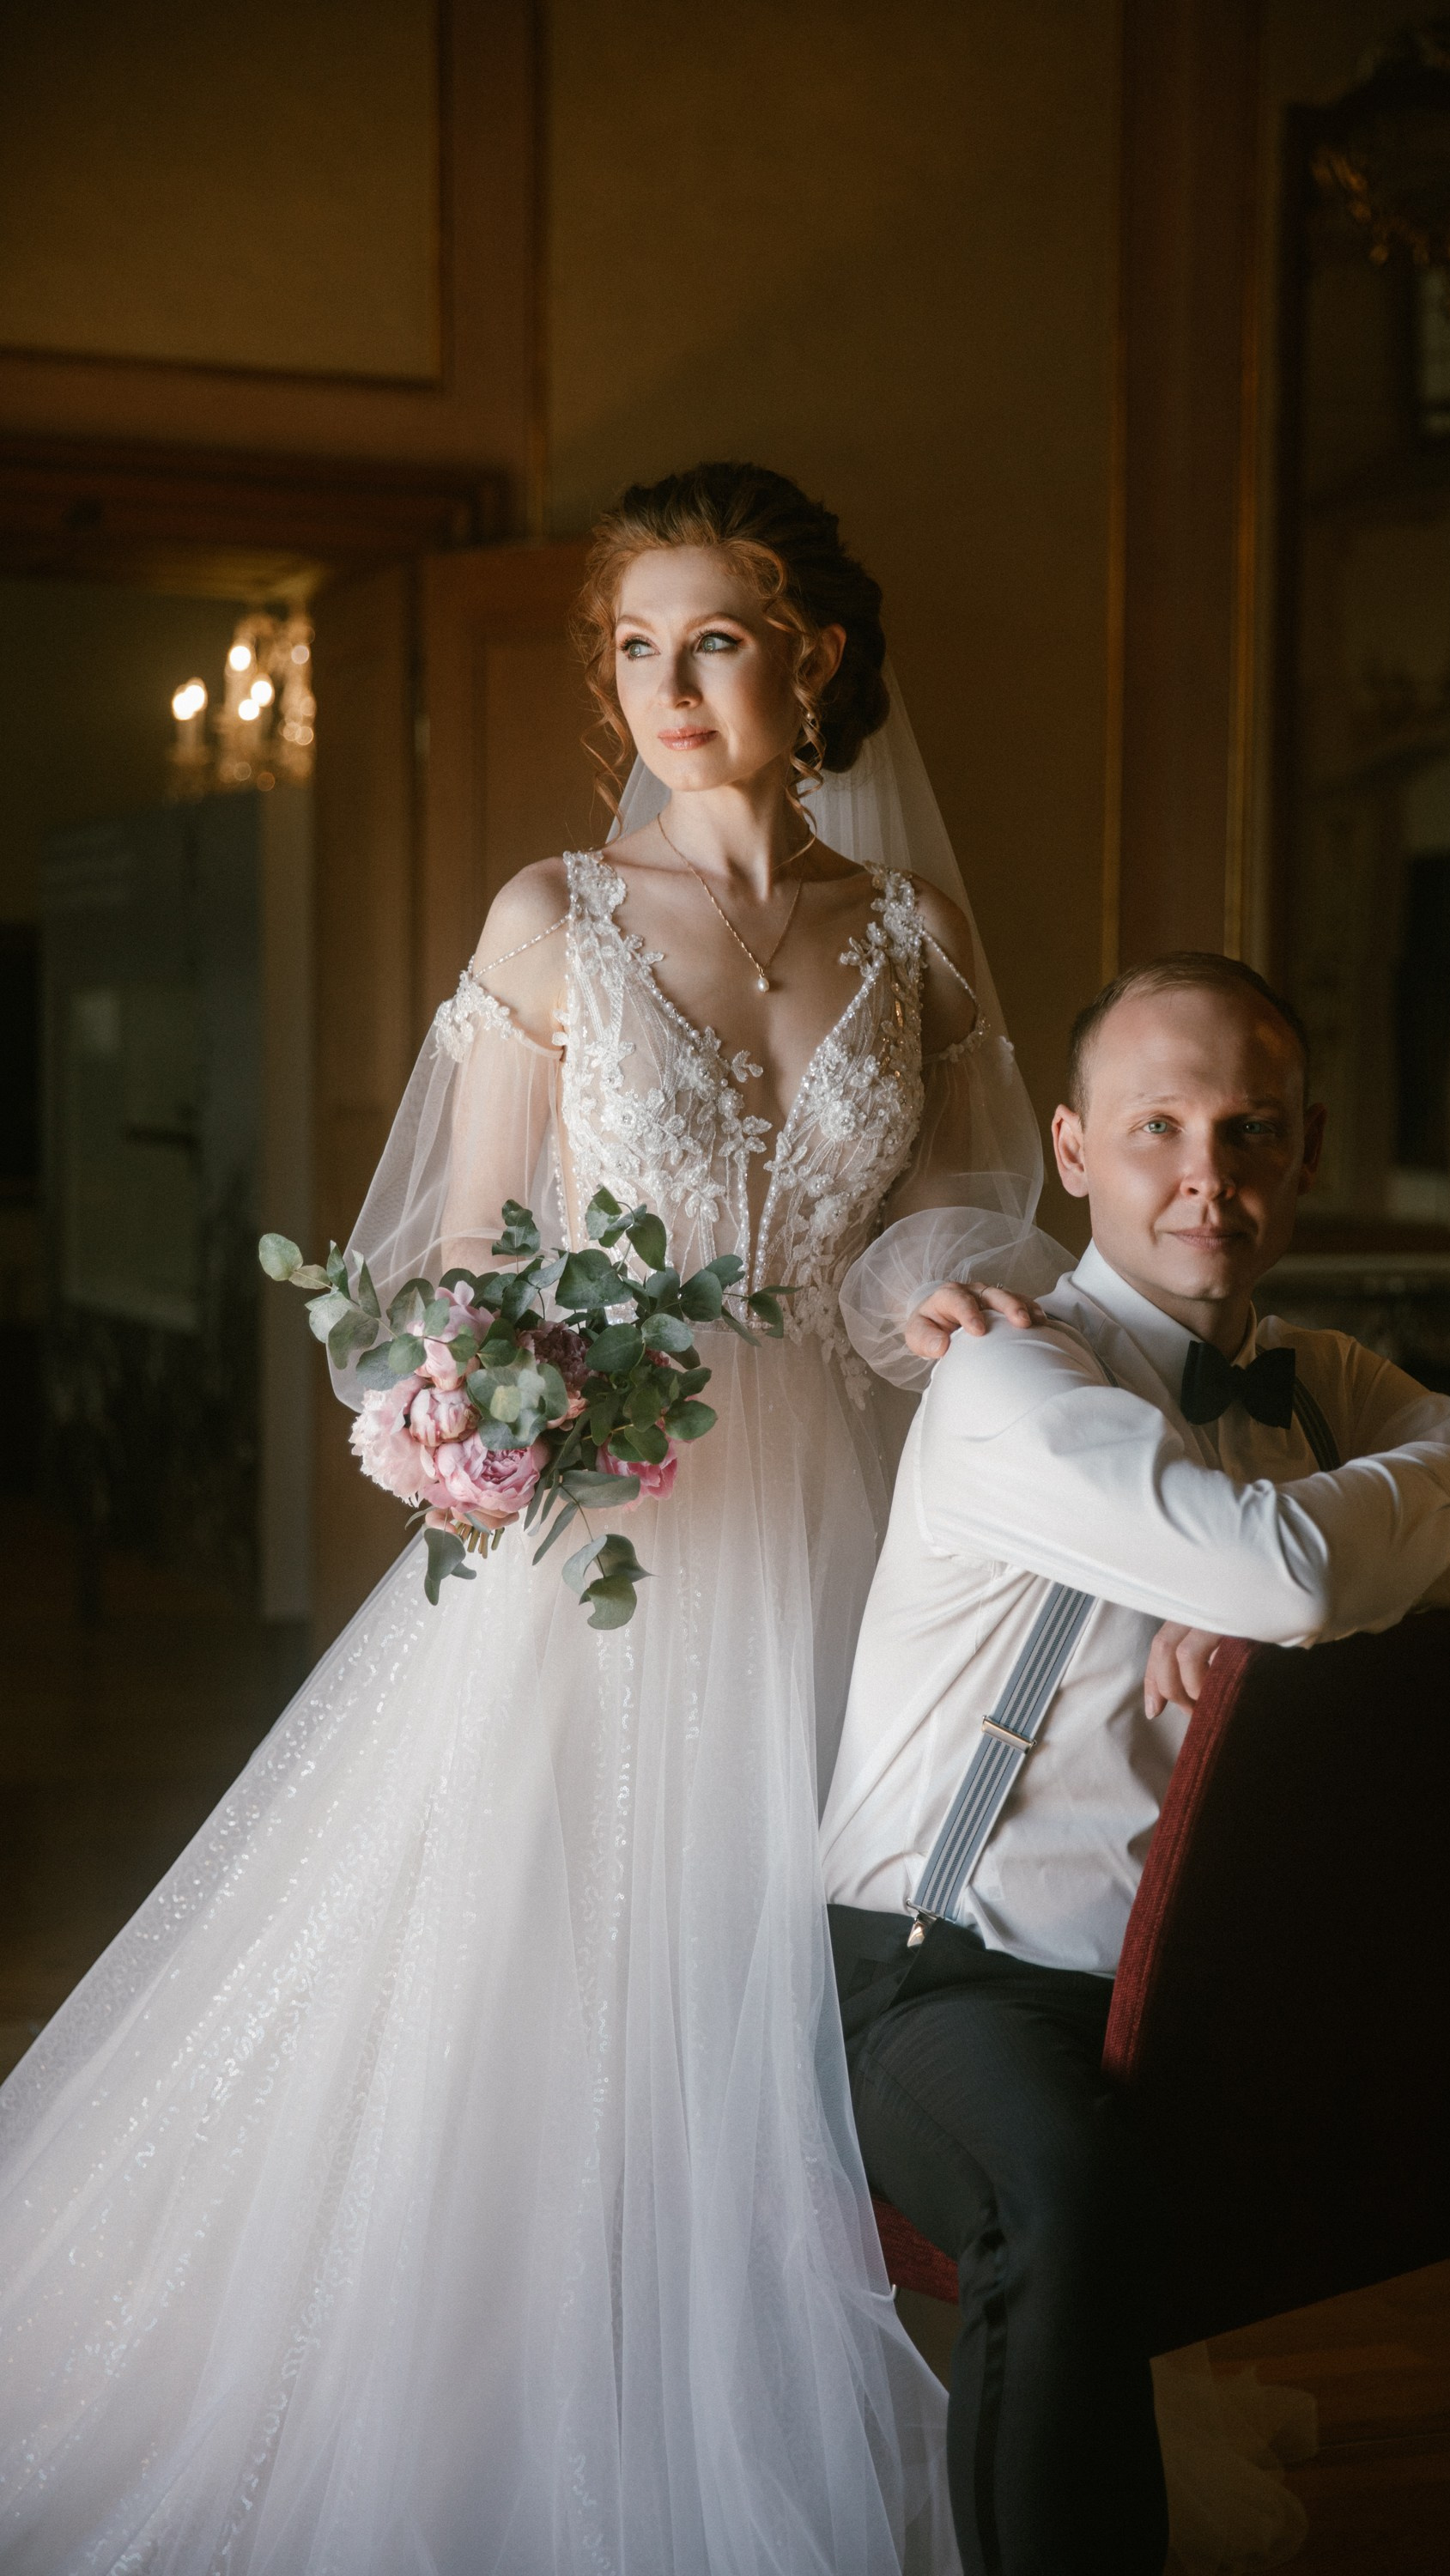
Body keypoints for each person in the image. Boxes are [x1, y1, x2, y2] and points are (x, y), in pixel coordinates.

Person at [0, 463, 1044, 2573]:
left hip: (846, 1515)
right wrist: (473, 1398)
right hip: (615, 1518)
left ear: (813, 656)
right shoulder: (551, 917)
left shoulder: (908, 932)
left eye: (715, 640)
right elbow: (447, 1266)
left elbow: (933, 1229)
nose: (667, 685)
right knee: (554, 1962)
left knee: (802, 1971)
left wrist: (950, 1301)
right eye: (635, 647)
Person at [823, 951, 1450, 2576]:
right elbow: (1290, 1576)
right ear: (1077, 1150)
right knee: (1069, 2208)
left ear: (1304, 1152)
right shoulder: (1008, 1381)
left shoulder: (1334, 1389)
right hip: (958, 1976)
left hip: (1245, 1971)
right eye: (1158, 1126)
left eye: (1249, 1131)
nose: (1206, 1176)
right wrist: (1363, 1544)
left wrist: (1365, 1520)